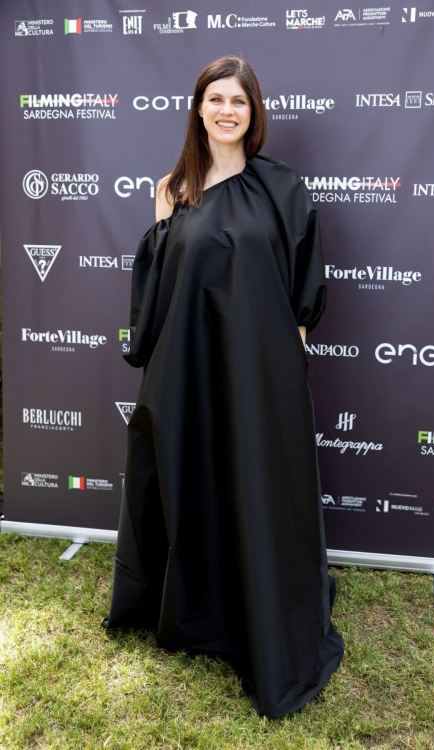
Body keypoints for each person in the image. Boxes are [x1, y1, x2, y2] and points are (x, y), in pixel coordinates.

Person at [101, 55, 345, 718]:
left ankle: (258, 617)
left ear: (253, 111)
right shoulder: (172, 190)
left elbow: (302, 297)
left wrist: (289, 375)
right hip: (184, 373)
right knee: (189, 481)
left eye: (239, 100)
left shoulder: (284, 190)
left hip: (260, 378)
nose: (227, 110)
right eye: (216, 99)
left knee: (259, 486)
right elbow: (154, 298)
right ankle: (194, 611)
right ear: (199, 108)